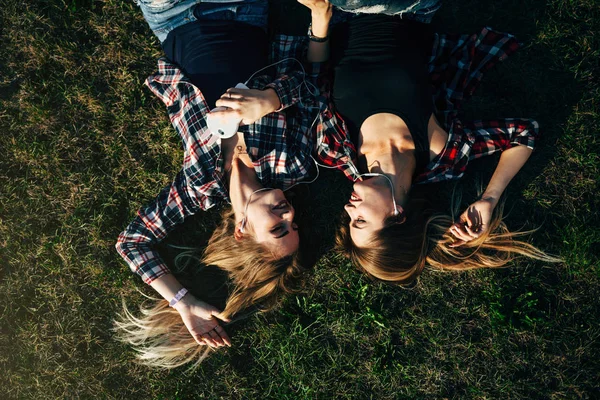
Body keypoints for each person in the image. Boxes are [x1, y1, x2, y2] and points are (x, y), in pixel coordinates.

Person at [115, 0, 325, 368]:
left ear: (241, 230)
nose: (289, 213)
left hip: (175, 20)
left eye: (279, 228)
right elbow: (313, 85)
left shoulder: (198, 188)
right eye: (294, 222)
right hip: (246, 13)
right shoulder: (293, 164)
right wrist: (268, 102)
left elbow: (132, 242)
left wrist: (182, 300)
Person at [299, 0, 560, 286]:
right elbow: (524, 134)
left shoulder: (333, 151)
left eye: (348, 220)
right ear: (397, 217)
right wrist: (489, 199)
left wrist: (320, 18)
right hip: (408, 10)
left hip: (340, 13)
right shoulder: (443, 153)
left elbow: (315, 76)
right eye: (359, 221)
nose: (348, 210)